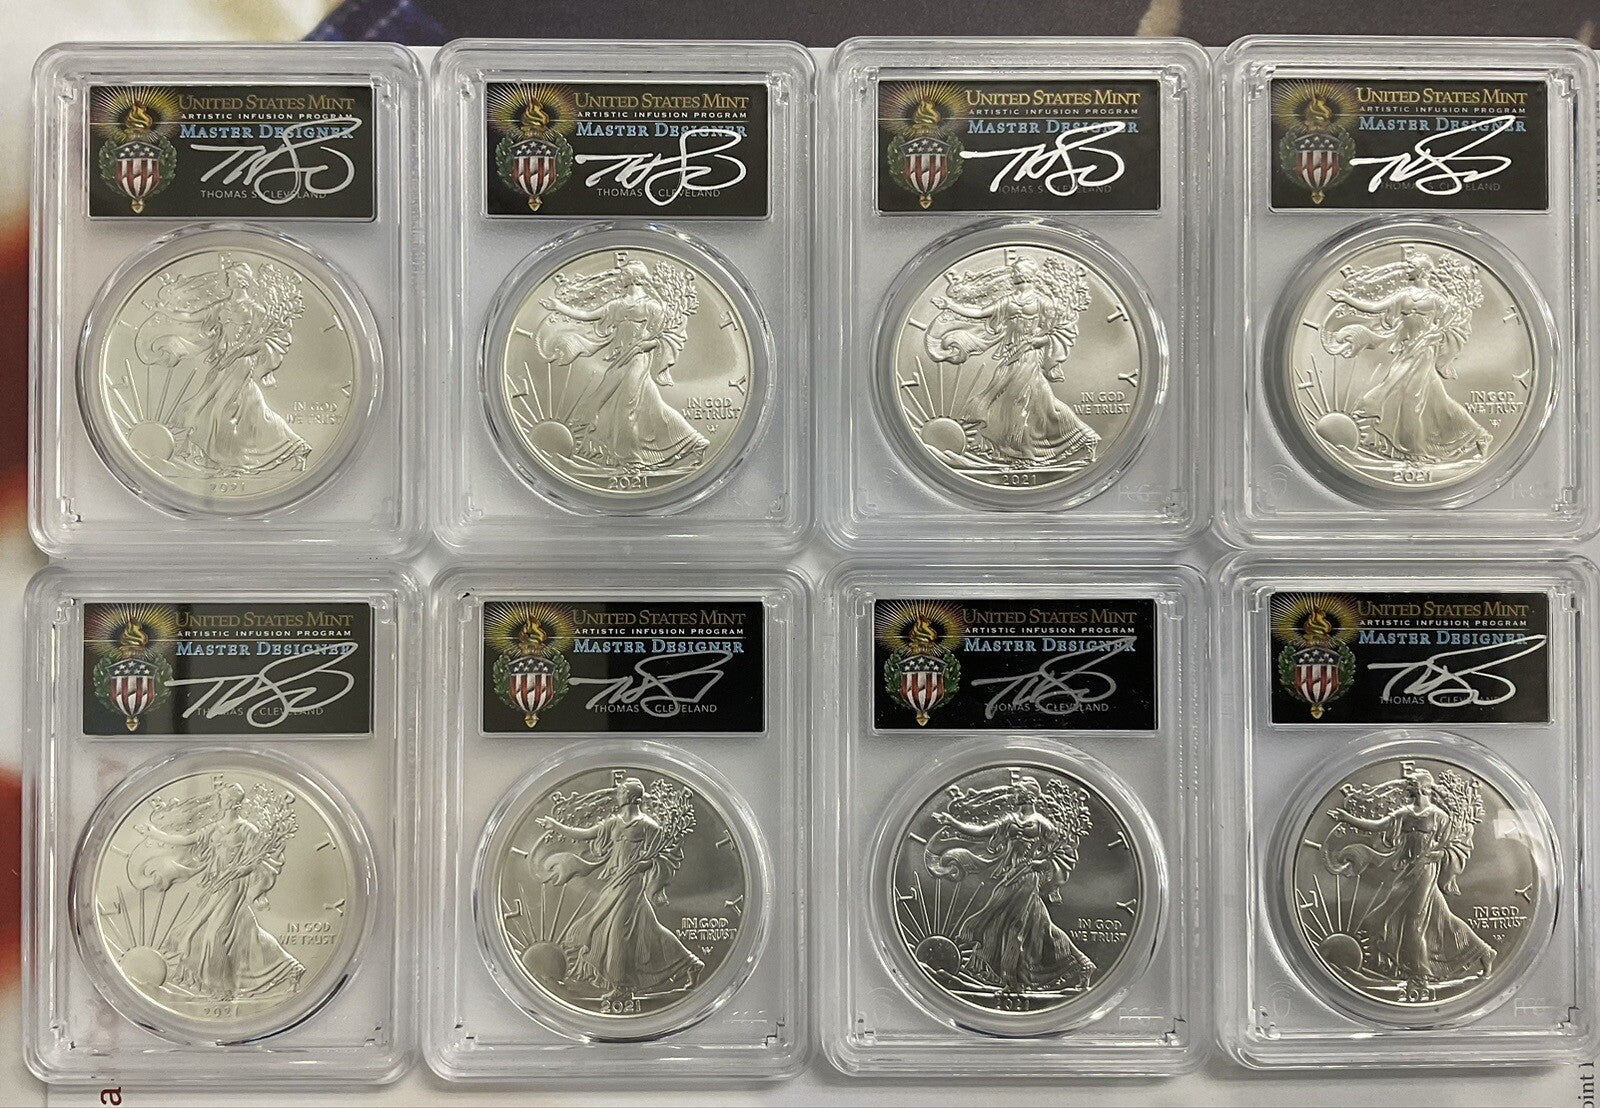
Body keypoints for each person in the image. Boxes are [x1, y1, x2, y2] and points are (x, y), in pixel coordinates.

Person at [536, 777, 702, 1000]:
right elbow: (584, 834)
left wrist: (644, 864)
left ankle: (621, 986)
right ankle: (691, 963)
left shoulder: (649, 826)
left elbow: (662, 857)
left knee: (616, 931)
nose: (618, 794)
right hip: (615, 882)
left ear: (632, 796)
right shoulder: (613, 823)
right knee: (647, 930)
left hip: (632, 883)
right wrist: (556, 826)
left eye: (622, 791)